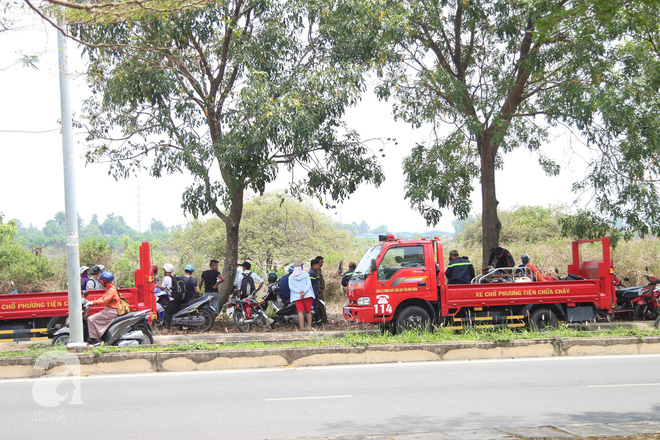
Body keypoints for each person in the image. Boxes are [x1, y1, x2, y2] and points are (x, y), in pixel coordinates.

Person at [86, 271, 120, 345]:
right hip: (108, 310)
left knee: (90, 319)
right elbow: (102, 298)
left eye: (101, 280)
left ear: (105, 281)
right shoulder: (110, 288)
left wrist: (93, 303)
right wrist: (92, 302)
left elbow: (104, 300)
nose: (100, 282)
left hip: (111, 311)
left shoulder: (111, 290)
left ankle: (96, 340)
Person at [288, 259, 315, 331]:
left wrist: (299, 292)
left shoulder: (291, 277)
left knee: (300, 312)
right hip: (307, 295)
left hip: (297, 296)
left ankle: (301, 328)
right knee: (308, 311)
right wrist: (304, 292)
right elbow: (308, 284)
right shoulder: (306, 275)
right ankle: (309, 327)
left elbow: (291, 287)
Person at [157, 263, 175, 328]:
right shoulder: (175, 276)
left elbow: (163, 287)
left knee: (168, 312)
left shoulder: (167, 278)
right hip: (177, 297)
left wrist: (156, 285)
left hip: (172, 299)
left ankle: (166, 328)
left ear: (166, 270)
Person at [308, 258, 322, 325]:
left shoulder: (314, 272)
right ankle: (315, 321)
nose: (318, 266)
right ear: (313, 265)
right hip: (313, 294)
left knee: (315, 306)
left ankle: (317, 320)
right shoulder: (312, 273)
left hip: (315, 293)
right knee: (314, 307)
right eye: (317, 265)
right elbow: (312, 285)